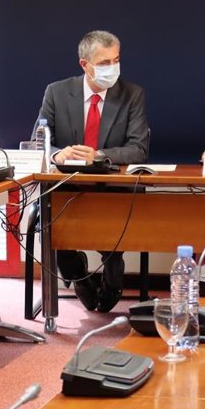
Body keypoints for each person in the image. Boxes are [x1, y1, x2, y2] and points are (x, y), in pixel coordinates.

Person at [37, 30, 150, 311]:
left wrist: (99, 155)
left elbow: (138, 149)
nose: (112, 68)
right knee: (51, 224)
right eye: (104, 63)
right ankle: (76, 273)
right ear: (85, 65)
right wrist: (57, 153)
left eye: (116, 60)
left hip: (113, 189)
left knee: (113, 229)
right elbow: (39, 142)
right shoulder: (56, 92)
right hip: (67, 186)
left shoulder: (131, 94)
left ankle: (113, 265)